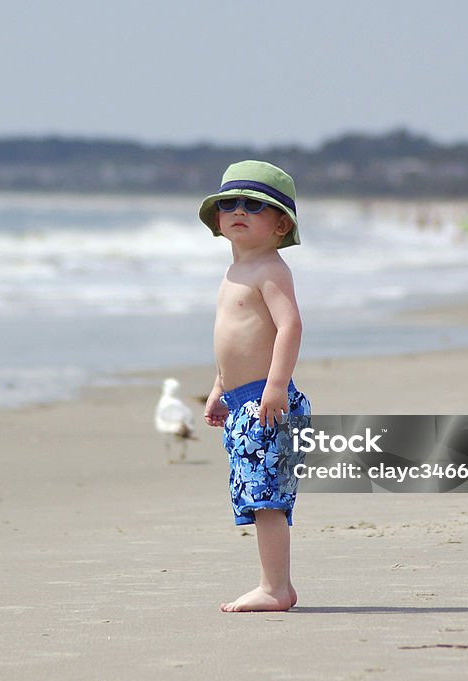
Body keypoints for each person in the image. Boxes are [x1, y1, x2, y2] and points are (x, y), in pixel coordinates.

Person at [199, 160, 311, 613]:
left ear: (280, 223)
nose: (238, 211)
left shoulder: (270, 269)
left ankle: (275, 588)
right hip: (244, 400)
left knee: (266, 500)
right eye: (229, 204)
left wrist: (277, 385)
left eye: (253, 205)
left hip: (268, 400)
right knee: (257, 494)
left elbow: (289, 327)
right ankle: (274, 584)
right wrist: (219, 388)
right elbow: (237, 343)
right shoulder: (232, 274)